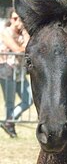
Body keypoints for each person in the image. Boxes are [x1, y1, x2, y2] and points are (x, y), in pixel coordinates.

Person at [0, 9, 33, 138]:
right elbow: (17, 50)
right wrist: (23, 48)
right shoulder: (5, 32)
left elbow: (30, 47)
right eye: (14, 19)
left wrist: (25, 31)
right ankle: (10, 125)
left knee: (28, 99)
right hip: (7, 70)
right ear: (10, 20)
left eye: (20, 19)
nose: (17, 22)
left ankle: (9, 121)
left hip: (19, 72)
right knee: (10, 102)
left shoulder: (23, 34)